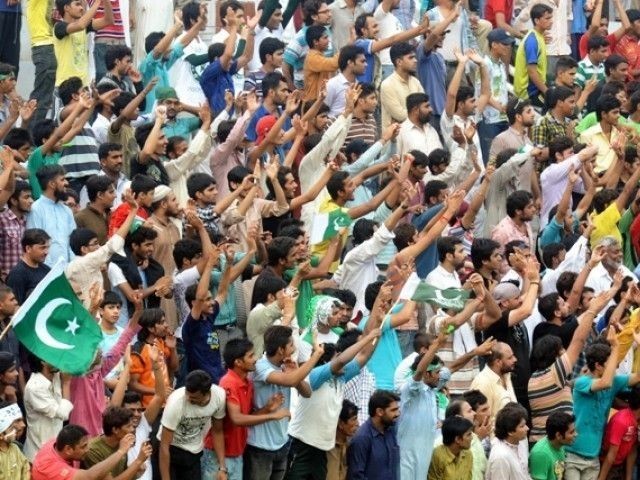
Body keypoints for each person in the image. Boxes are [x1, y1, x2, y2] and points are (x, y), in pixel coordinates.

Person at [202, 338, 290, 480]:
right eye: (250, 356)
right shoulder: (228, 383)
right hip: (219, 456)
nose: (255, 359)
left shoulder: (247, 382)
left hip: (237, 453)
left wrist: (267, 409)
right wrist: (273, 416)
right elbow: (237, 419)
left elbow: (247, 417)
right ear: (238, 362)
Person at [243, 325, 322, 480]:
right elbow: (289, 380)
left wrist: (295, 373)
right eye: (291, 345)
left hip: (282, 444)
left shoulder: (285, 366)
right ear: (280, 350)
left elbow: (306, 392)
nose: (294, 348)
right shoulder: (260, 367)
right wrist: (316, 355)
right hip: (261, 447)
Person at [158, 369, 227, 480]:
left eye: (194, 397)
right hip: (170, 450)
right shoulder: (176, 402)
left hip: (194, 453)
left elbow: (217, 431)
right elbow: (164, 445)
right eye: (187, 394)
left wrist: (222, 468)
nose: (188, 398)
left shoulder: (219, 397)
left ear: (206, 393)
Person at [31, 423, 136, 480]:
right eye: (83, 446)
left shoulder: (56, 443)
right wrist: (121, 451)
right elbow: (90, 476)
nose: (88, 449)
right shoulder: (53, 469)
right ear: (68, 449)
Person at [23, 351, 74, 461]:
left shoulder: (54, 375)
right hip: (38, 454)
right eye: (53, 355)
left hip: (54, 450)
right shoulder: (34, 388)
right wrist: (66, 383)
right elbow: (63, 414)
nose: (58, 359)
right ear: (43, 362)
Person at [81, 406, 152, 479]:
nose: (132, 429)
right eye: (128, 426)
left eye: (132, 426)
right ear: (115, 430)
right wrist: (138, 461)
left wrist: (138, 470)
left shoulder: (121, 443)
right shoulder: (93, 450)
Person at [26, 164, 76, 266]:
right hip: (45, 271)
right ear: (52, 184)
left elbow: (73, 241)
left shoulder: (67, 210)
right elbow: (36, 243)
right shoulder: (36, 209)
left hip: (68, 269)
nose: (66, 183)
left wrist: (72, 266)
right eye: (62, 180)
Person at [346, 390, 401, 480]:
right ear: (379, 412)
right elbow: (356, 476)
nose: (398, 413)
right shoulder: (362, 438)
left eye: (397, 409)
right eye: (393, 410)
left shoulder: (390, 430)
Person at [513, 3, 553, 107]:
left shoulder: (538, 36)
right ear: (536, 21)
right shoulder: (532, 41)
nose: (551, 21)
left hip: (536, 88)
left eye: (551, 18)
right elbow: (532, 72)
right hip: (529, 93)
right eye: (547, 18)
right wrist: (547, 92)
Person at [599, 384, 640, 479]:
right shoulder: (621, 421)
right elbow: (611, 455)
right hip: (607, 465)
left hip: (620, 465)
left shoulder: (636, 421)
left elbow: (632, 450)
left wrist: (628, 478)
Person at [485, 403, 530, 480]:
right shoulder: (500, 456)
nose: (527, 428)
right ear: (510, 432)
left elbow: (525, 474)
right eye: (522, 426)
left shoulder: (521, 442)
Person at [6, 228, 51, 304]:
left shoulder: (47, 270)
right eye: (42, 248)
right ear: (28, 248)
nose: (46, 252)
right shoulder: (17, 274)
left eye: (47, 247)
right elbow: (16, 307)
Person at [529, 411, 577, 480]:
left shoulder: (559, 444)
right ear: (558, 435)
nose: (576, 434)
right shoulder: (541, 454)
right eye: (572, 432)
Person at [427, 416, 474, 480]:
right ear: (458, 439)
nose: (472, 438)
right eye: (469, 434)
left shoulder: (468, 455)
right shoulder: (438, 456)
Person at [0, 401, 29, 479]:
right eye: (17, 420)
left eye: (22, 420)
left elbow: (25, 468)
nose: (24, 425)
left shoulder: (16, 448)